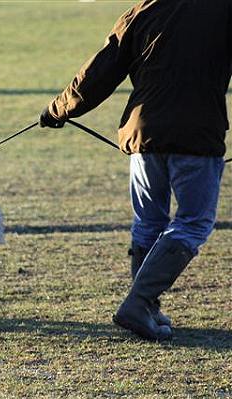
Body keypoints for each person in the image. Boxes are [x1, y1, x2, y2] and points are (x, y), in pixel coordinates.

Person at [39, 0, 231, 341]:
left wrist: (59, 109)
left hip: (142, 134)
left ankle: (146, 306)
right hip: (197, 135)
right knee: (194, 222)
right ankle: (140, 302)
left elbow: (100, 70)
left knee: (149, 221)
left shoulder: (145, 9)